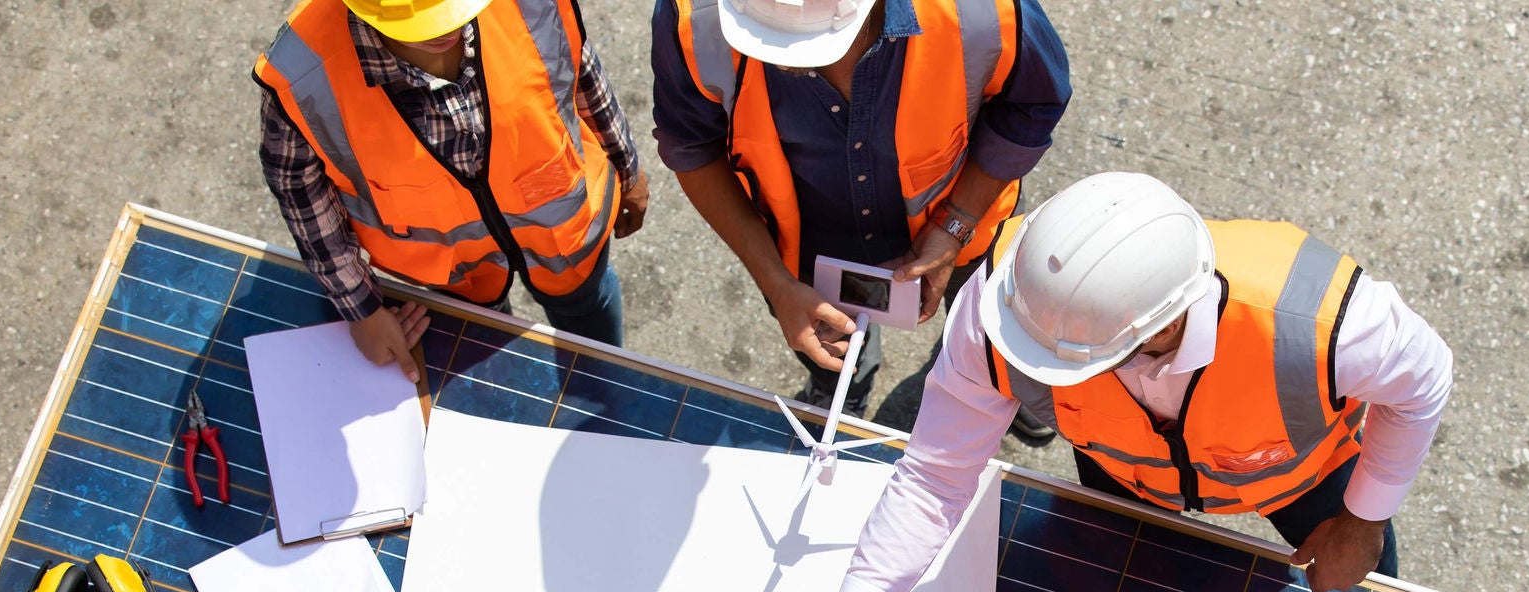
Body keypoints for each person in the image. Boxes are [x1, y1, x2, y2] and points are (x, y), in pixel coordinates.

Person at [794, 171, 1454, 592]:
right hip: (1126, 473)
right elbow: (933, 478)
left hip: (1303, 477)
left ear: (1164, 330)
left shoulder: (1319, 323)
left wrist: (1364, 518)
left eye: (1061, 362)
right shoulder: (1011, 306)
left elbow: (1425, 381)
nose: (1028, 366)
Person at [651, 0, 1071, 421]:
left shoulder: (980, 9)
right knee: (823, 344)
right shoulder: (693, 17)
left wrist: (956, 223)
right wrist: (776, 282)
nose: (789, 60)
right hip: (800, 250)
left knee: (993, 331)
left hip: (971, 229)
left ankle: (1003, 380)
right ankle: (839, 387)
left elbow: (1032, 103)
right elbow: (692, 147)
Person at [255, 0, 651, 382]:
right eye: (422, 23)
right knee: (490, 360)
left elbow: (576, 64)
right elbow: (298, 189)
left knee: (594, 337)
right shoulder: (301, 71)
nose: (447, 28)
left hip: (568, 237)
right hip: (456, 275)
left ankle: (603, 386)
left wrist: (627, 167)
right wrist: (361, 308)